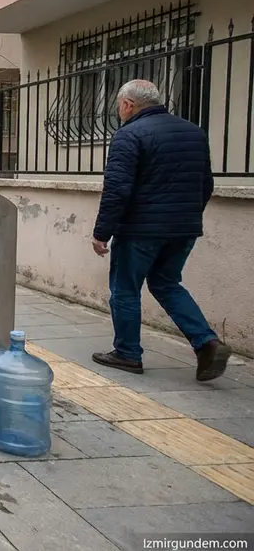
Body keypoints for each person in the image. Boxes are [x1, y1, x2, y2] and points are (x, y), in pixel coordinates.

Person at [89, 80, 230, 381]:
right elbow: (205, 183)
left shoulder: (129, 135)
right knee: (166, 283)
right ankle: (207, 342)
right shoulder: (194, 132)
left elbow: (117, 189)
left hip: (141, 230)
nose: (119, 111)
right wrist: (187, 217)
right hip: (184, 228)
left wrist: (102, 232)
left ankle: (127, 353)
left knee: (126, 289)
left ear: (128, 104)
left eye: (119, 106)